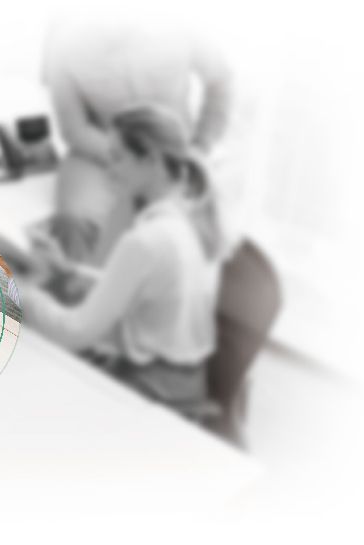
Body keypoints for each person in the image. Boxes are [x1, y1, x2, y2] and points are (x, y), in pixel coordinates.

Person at [18, 105, 224, 405]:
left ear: (151, 159)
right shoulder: (190, 215)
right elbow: (147, 282)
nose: (108, 168)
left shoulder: (145, 241)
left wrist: (13, 291)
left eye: (117, 157)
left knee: (25, 372)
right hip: (185, 383)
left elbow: (73, 332)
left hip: (154, 392)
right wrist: (71, 272)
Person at [42, 21, 233, 263]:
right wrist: (126, 159)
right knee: (74, 218)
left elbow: (221, 81)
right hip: (99, 150)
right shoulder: (66, 41)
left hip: (174, 152)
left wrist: (201, 145)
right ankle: (79, 289)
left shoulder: (181, 22)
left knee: (179, 225)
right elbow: (75, 129)